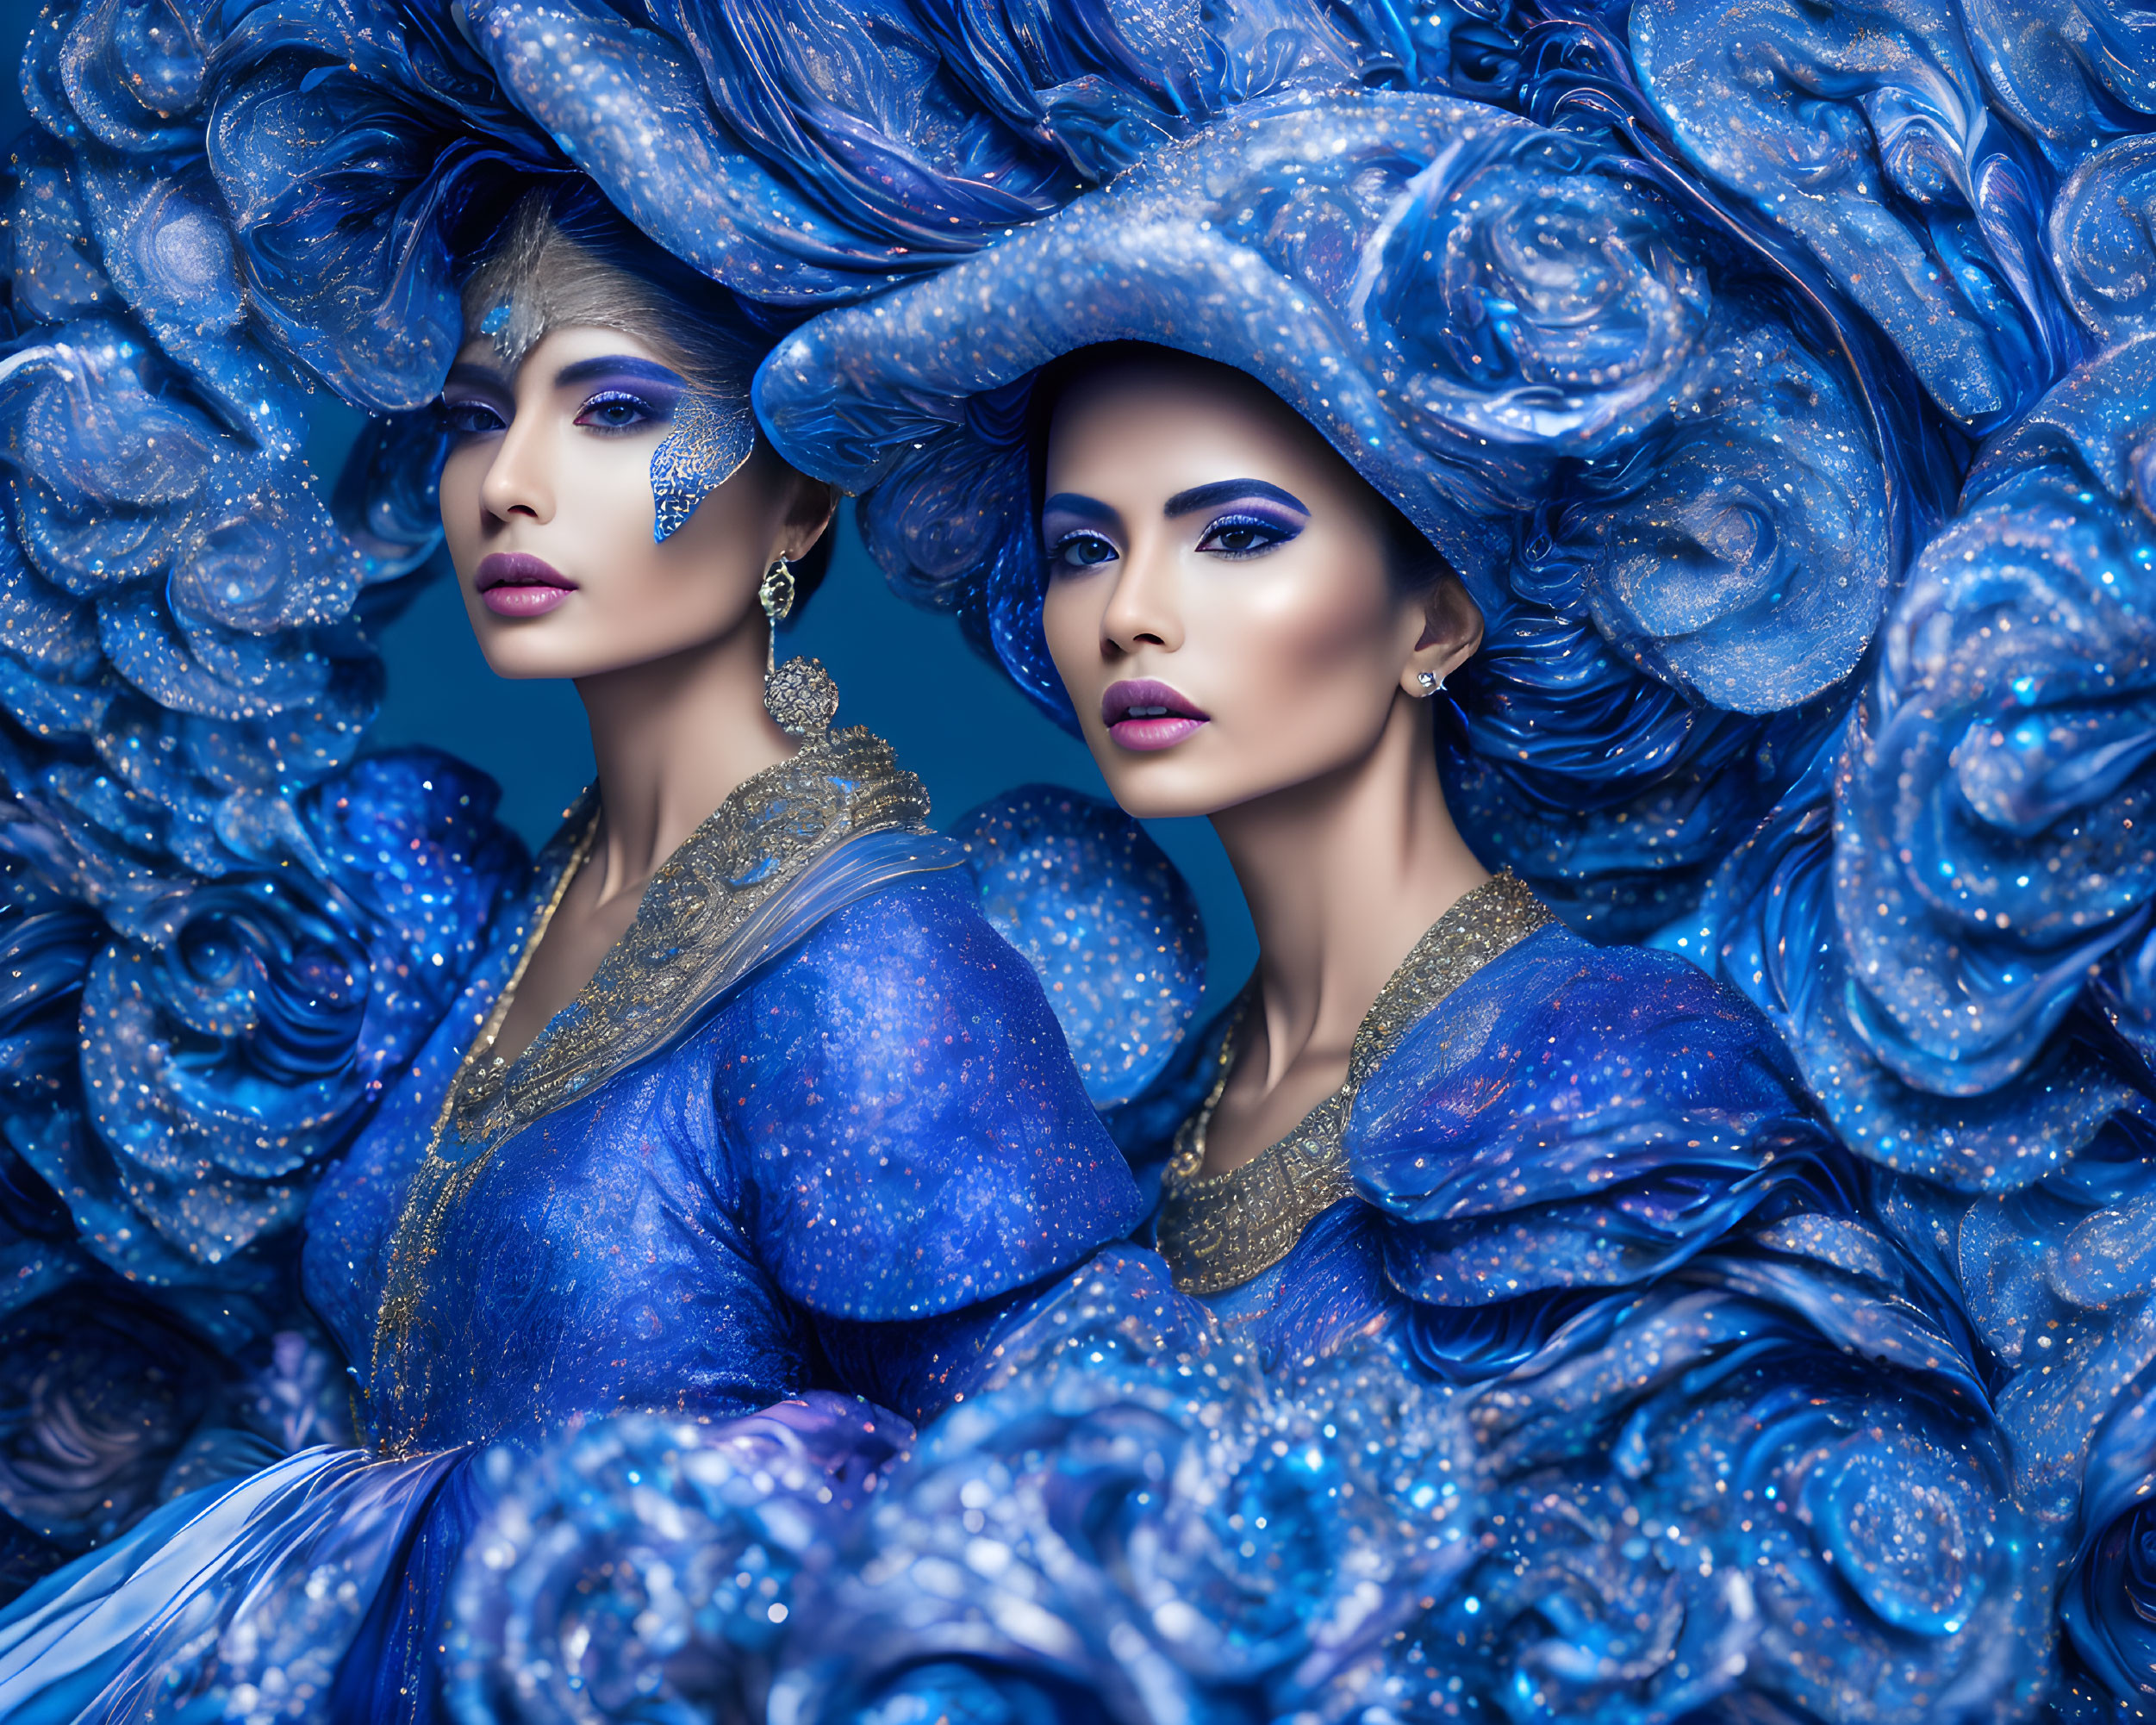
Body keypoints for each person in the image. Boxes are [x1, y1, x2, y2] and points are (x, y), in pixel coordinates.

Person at [754, 88, 2049, 1722]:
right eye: (1085, 545)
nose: (1133, 613)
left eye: (1232, 533)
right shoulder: (1143, 1130)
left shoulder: (1619, 1076)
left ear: (1434, 611)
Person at [0, 179, 1166, 1725]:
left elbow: (1073, 1538)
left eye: (612, 411)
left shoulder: (872, 970)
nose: (509, 484)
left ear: (801, 499)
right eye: (482, 416)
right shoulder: (518, 914)